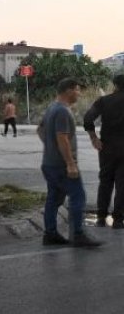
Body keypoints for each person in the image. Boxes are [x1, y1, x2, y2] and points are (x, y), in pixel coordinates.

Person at [37, 77, 102, 247]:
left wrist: (50, 146)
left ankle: (50, 234)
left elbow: (40, 129)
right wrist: (70, 163)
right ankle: (78, 234)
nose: (79, 94)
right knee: (78, 196)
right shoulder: (63, 111)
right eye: (78, 90)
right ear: (69, 91)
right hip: (62, 166)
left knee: (54, 198)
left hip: (49, 163)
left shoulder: (52, 107)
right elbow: (62, 138)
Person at [83, 74, 124, 229]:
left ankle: (101, 216)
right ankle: (118, 219)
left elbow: (88, 118)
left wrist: (94, 138)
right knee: (122, 184)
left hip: (106, 148)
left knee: (105, 181)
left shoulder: (104, 101)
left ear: (115, 85)